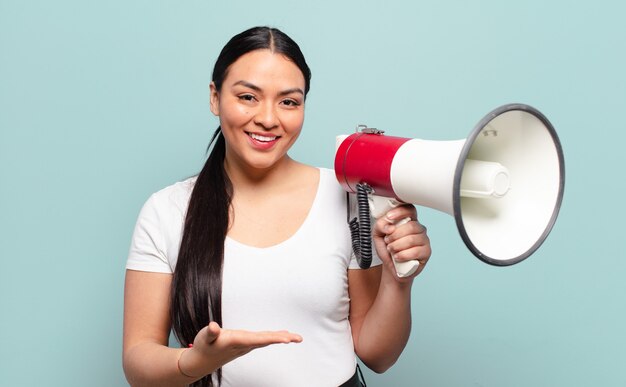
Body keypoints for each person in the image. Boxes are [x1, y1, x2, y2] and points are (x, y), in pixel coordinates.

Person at [122, 26, 431, 387]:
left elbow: (377, 354)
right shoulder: (167, 211)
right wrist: (192, 363)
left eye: (288, 101)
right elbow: (137, 360)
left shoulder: (344, 194)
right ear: (215, 97)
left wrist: (398, 281)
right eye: (248, 97)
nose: (268, 119)